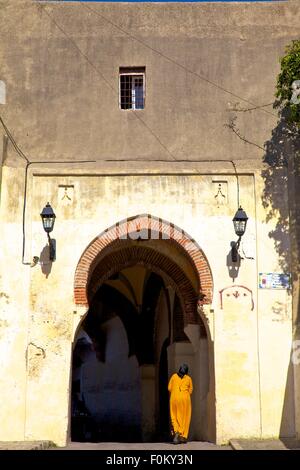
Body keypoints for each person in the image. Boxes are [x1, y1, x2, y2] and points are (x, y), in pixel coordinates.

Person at [168, 363, 193, 444]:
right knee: (184, 417)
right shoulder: (188, 378)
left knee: (174, 416)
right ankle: (181, 435)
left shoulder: (174, 376)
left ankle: (176, 432)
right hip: (185, 399)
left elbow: (169, 388)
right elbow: (190, 390)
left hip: (174, 398)